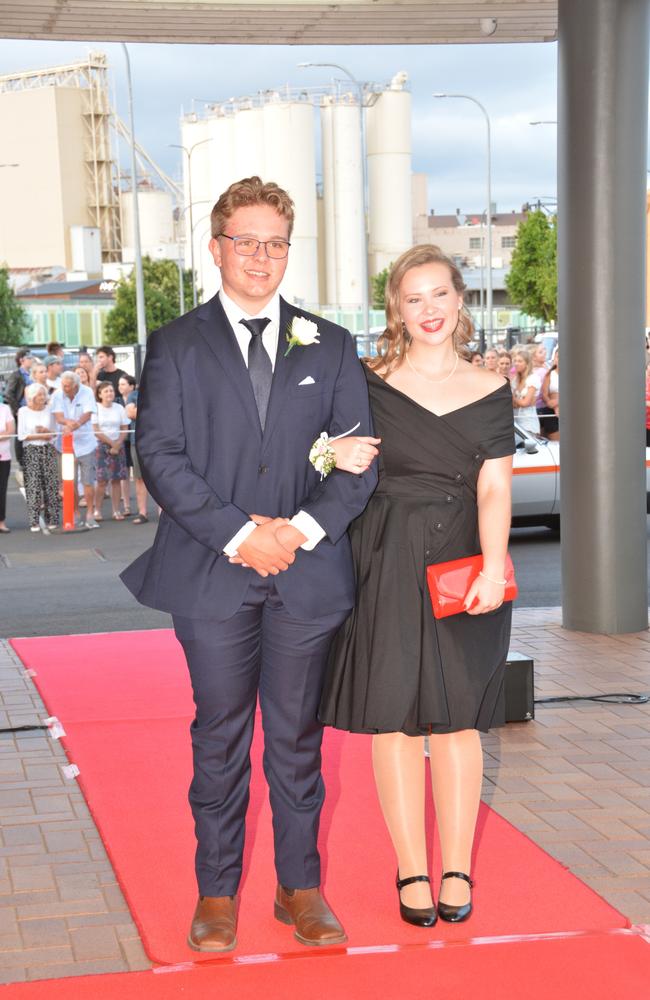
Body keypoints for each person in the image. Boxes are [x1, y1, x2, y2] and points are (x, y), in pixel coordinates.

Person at [121, 175, 376, 953]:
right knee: (220, 736)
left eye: (275, 243)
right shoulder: (174, 344)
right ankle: (217, 890)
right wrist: (240, 536)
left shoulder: (329, 345)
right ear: (216, 247)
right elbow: (159, 455)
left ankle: (299, 887)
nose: (260, 257)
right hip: (212, 574)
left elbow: (357, 462)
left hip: (305, 577)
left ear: (287, 251)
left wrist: (294, 531)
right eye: (246, 240)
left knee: (297, 738)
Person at [319, 244, 514, 927]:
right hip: (384, 555)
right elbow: (309, 446)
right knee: (395, 717)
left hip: (463, 559)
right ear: (397, 311)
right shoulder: (368, 383)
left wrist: (494, 565)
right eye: (413, 298)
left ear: (461, 299)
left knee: (459, 718)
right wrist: (327, 452)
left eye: (440, 294)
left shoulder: (491, 388)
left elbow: (493, 485)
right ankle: (410, 868)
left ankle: (456, 865)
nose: (428, 309)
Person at [50, 371, 99, 529]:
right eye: (63, 385)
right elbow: (58, 417)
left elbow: (88, 413)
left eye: (67, 386)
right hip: (64, 445)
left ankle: (90, 513)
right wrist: (68, 423)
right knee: (69, 481)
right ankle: (75, 512)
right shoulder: (58, 394)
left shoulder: (87, 392)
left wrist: (76, 424)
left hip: (86, 444)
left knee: (87, 481)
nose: (64, 388)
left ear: (76, 386)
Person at [17, 383, 61, 533]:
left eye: (44, 394)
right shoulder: (23, 411)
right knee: (33, 486)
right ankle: (33, 520)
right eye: (39, 395)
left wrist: (46, 431)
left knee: (51, 485)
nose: (42, 397)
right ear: (32, 397)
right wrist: (42, 435)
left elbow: (54, 434)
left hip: (48, 449)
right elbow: (22, 435)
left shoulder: (50, 411)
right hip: (31, 450)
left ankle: (53, 519)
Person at [91, 382, 129, 521]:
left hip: (118, 445)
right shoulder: (95, 408)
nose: (109, 393)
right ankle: (97, 510)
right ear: (100, 394)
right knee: (101, 480)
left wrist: (118, 443)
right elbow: (96, 429)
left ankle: (116, 511)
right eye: (106, 391)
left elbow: (125, 427)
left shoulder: (119, 408)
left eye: (111, 391)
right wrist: (112, 444)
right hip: (101, 446)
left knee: (116, 480)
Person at [4, 348, 33, 474]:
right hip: (21, 409)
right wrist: (17, 409)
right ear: (21, 360)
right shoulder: (16, 375)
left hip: (32, 409)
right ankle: (21, 461)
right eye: (29, 358)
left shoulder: (31, 374)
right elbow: (8, 393)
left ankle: (29, 458)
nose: (31, 360)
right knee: (20, 435)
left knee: (31, 433)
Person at [123, 382, 149, 524]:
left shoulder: (163, 391)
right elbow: (131, 413)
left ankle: (163, 512)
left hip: (159, 441)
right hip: (137, 440)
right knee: (139, 478)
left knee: (163, 477)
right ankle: (142, 512)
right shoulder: (133, 395)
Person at [117, 374, 137, 517]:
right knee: (124, 474)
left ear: (131, 386)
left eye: (123, 384)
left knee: (137, 475)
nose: (120, 387)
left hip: (134, 439)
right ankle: (126, 506)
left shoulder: (137, 398)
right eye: (119, 384)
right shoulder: (117, 401)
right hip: (122, 440)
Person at [511, 347, 541, 433]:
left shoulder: (533, 379)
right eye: (515, 361)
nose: (516, 363)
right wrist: (518, 401)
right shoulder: (515, 380)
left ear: (527, 364)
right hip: (516, 422)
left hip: (529, 423)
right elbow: (514, 405)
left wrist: (513, 398)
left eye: (520, 361)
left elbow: (526, 403)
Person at [0, 398, 15, 533]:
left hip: (3, 456)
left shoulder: (4, 409)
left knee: (1, 489)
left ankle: (1, 521)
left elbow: (10, 430)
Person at [540, 348, 560, 440]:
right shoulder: (549, 374)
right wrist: (553, 405)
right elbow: (544, 394)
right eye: (557, 357)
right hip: (551, 411)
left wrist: (559, 402)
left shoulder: (573, 374)